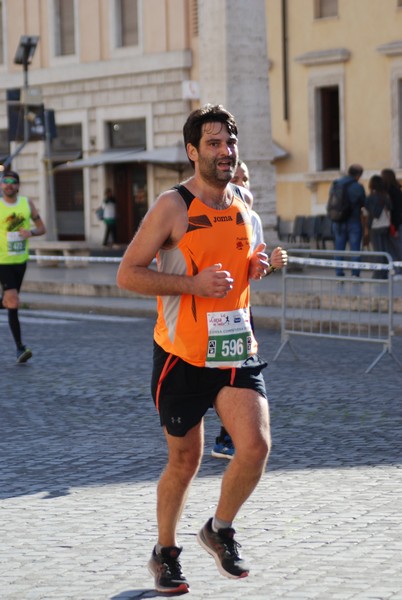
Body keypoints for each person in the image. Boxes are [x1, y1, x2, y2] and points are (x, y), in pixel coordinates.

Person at [117, 104, 288, 594]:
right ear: (193, 152)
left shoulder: (244, 207)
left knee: (255, 446)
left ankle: (219, 529)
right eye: (213, 144)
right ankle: (165, 552)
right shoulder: (173, 206)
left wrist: (258, 267)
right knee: (185, 460)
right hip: (182, 356)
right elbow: (128, 273)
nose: (224, 151)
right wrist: (193, 283)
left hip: (235, 349)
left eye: (229, 143)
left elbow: (243, 264)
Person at [211, 159, 266, 460]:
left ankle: (228, 437)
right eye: (236, 178)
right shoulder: (202, 213)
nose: (242, 185)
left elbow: (252, 267)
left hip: (240, 313)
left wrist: (266, 267)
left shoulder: (252, 218)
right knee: (217, 379)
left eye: (245, 178)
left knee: (237, 377)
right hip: (210, 312)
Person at [0, 170, 46, 363]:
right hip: (2, 261)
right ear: (1, 185)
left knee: (9, 302)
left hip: (21, 261)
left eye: (12, 182)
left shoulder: (27, 204)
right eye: (5, 181)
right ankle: (20, 348)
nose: (9, 184)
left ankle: (19, 347)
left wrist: (31, 233)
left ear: (18, 185)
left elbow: (42, 228)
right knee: (13, 300)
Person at [331, 164, 366, 277]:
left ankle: (339, 272)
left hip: (338, 220)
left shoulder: (336, 184)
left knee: (339, 248)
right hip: (353, 221)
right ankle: (355, 273)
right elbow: (363, 203)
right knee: (355, 248)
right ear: (358, 175)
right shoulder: (358, 186)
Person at [364, 175, 393, 279]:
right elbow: (390, 209)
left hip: (375, 227)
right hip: (386, 226)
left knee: (378, 251)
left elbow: (369, 212)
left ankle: (378, 275)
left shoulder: (371, 197)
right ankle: (384, 273)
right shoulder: (386, 196)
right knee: (385, 250)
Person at [381, 168, 402, 274]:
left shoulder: (388, 193)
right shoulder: (397, 190)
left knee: (395, 249)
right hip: (396, 224)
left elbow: (395, 211)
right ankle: (397, 271)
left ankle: (397, 270)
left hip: (393, 225)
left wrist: (395, 226)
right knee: (397, 248)